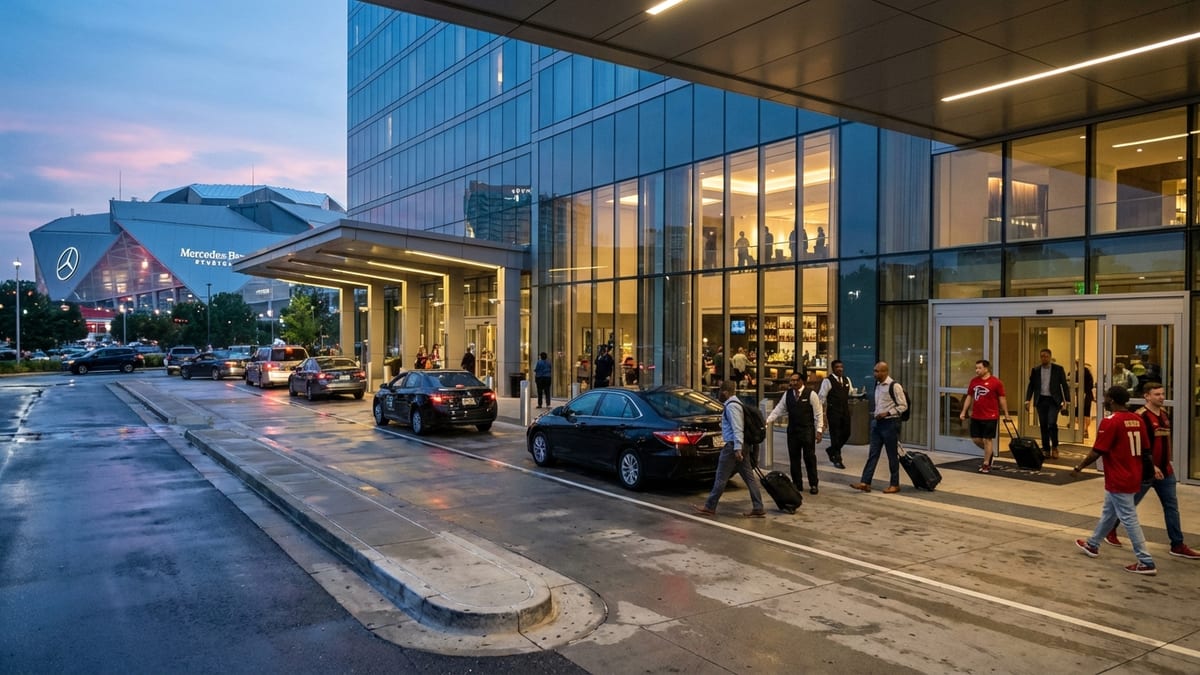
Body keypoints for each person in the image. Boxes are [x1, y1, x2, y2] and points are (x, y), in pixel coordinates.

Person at [1104, 383, 1200, 559]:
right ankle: (1110, 530)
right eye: (1157, 394)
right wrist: (1151, 467)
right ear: (1147, 396)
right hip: (1146, 472)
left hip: (1166, 471)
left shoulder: (1164, 415)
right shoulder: (1140, 417)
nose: (1162, 397)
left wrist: (1165, 465)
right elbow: (1139, 446)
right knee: (1128, 505)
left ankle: (1177, 544)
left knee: (1171, 507)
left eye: (1163, 394)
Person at [1071, 386, 1158, 575]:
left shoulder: (1111, 422)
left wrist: (1080, 466)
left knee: (1128, 517)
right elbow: (1145, 449)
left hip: (1119, 476)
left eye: (1105, 398)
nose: (1103, 401)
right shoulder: (1137, 420)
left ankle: (1145, 560)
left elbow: (1097, 451)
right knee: (1109, 512)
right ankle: (1093, 544)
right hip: (1133, 473)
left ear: (1111, 400)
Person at [694, 380, 766, 518]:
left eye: (720, 391)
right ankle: (758, 507)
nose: (718, 394)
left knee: (721, 477)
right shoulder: (737, 404)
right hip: (740, 446)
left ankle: (710, 506)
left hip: (733, 447)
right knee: (749, 478)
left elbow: (737, 428)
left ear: (725, 392)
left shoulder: (732, 407)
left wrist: (737, 448)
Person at [851, 361, 907, 494]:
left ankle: (895, 484)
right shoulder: (877, 385)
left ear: (885, 372)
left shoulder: (894, 386)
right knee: (873, 454)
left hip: (890, 423)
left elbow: (903, 406)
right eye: (874, 371)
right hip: (877, 424)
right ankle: (865, 482)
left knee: (892, 455)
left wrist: (887, 413)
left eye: (877, 371)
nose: (874, 373)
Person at [766, 372, 824, 494]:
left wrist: (819, 430)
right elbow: (778, 409)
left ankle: (813, 483)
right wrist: (768, 420)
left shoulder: (811, 394)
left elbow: (818, 413)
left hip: (807, 430)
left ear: (802, 381)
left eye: (795, 380)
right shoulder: (787, 395)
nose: (792, 383)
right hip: (793, 430)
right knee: (794, 458)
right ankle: (797, 484)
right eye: (791, 380)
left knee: (809, 457)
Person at [958, 359, 1010, 473]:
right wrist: (963, 411)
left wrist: (1006, 414)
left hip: (990, 416)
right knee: (976, 439)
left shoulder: (996, 382)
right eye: (976, 368)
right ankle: (989, 452)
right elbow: (969, 397)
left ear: (986, 369)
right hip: (976, 415)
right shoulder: (974, 381)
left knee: (987, 440)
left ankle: (986, 463)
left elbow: (1002, 399)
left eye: (979, 368)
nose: (977, 370)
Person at [1023, 348, 1069, 459]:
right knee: (1043, 425)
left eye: (1046, 356)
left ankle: (1055, 447)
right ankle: (1046, 449)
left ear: (1050, 357)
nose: (1044, 358)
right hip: (1041, 400)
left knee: (1051, 423)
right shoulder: (1036, 370)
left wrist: (1066, 401)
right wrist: (1027, 399)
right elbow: (1031, 386)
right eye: (1042, 356)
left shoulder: (1058, 369)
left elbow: (1064, 385)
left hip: (1054, 400)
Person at [817, 359, 852, 469]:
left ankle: (831, 449)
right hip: (833, 411)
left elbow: (850, 392)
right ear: (833, 368)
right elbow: (821, 398)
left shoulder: (847, 380)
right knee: (835, 435)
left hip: (845, 411)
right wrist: (822, 415)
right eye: (837, 367)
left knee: (847, 433)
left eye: (841, 367)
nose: (840, 369)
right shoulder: (827, 381)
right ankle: (837, 459)